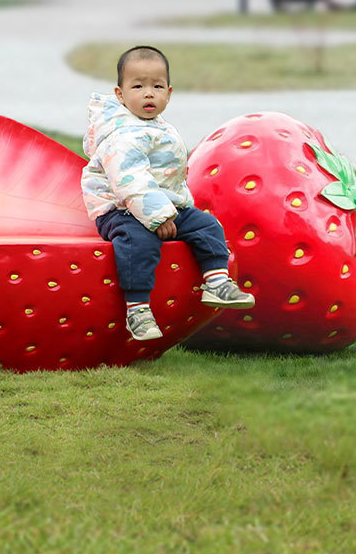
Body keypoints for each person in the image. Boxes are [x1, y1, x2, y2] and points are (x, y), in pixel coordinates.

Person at [81, 45, 254, 341]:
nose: (149, 94)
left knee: (207, 225)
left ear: (169, 93)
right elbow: (131, 181)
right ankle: (137, 308)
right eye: (138, 86)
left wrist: (176, 208)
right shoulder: (121, 135)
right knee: (139, 242)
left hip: (161, 206)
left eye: (157, 86)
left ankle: (217, 281)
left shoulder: (158, 127)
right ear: (120, 94)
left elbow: (168, 175)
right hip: (120, 209)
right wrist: (159, 217)